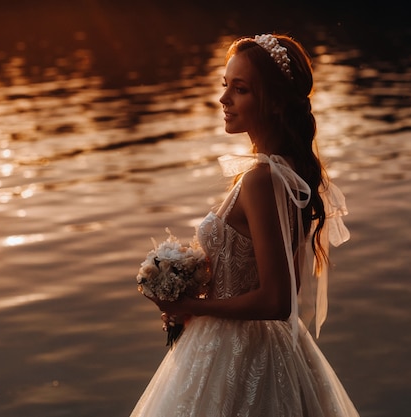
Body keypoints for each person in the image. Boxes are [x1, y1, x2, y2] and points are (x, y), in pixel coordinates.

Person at [131, 34, 359, 417]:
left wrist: (191, 305)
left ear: (272, 103)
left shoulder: (263, 180)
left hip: (238, 354)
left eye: (240, 90)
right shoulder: (285, 174)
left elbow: (277, 299)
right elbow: (286, 285)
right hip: (267, 345)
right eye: (226, 86)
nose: (224, 100)